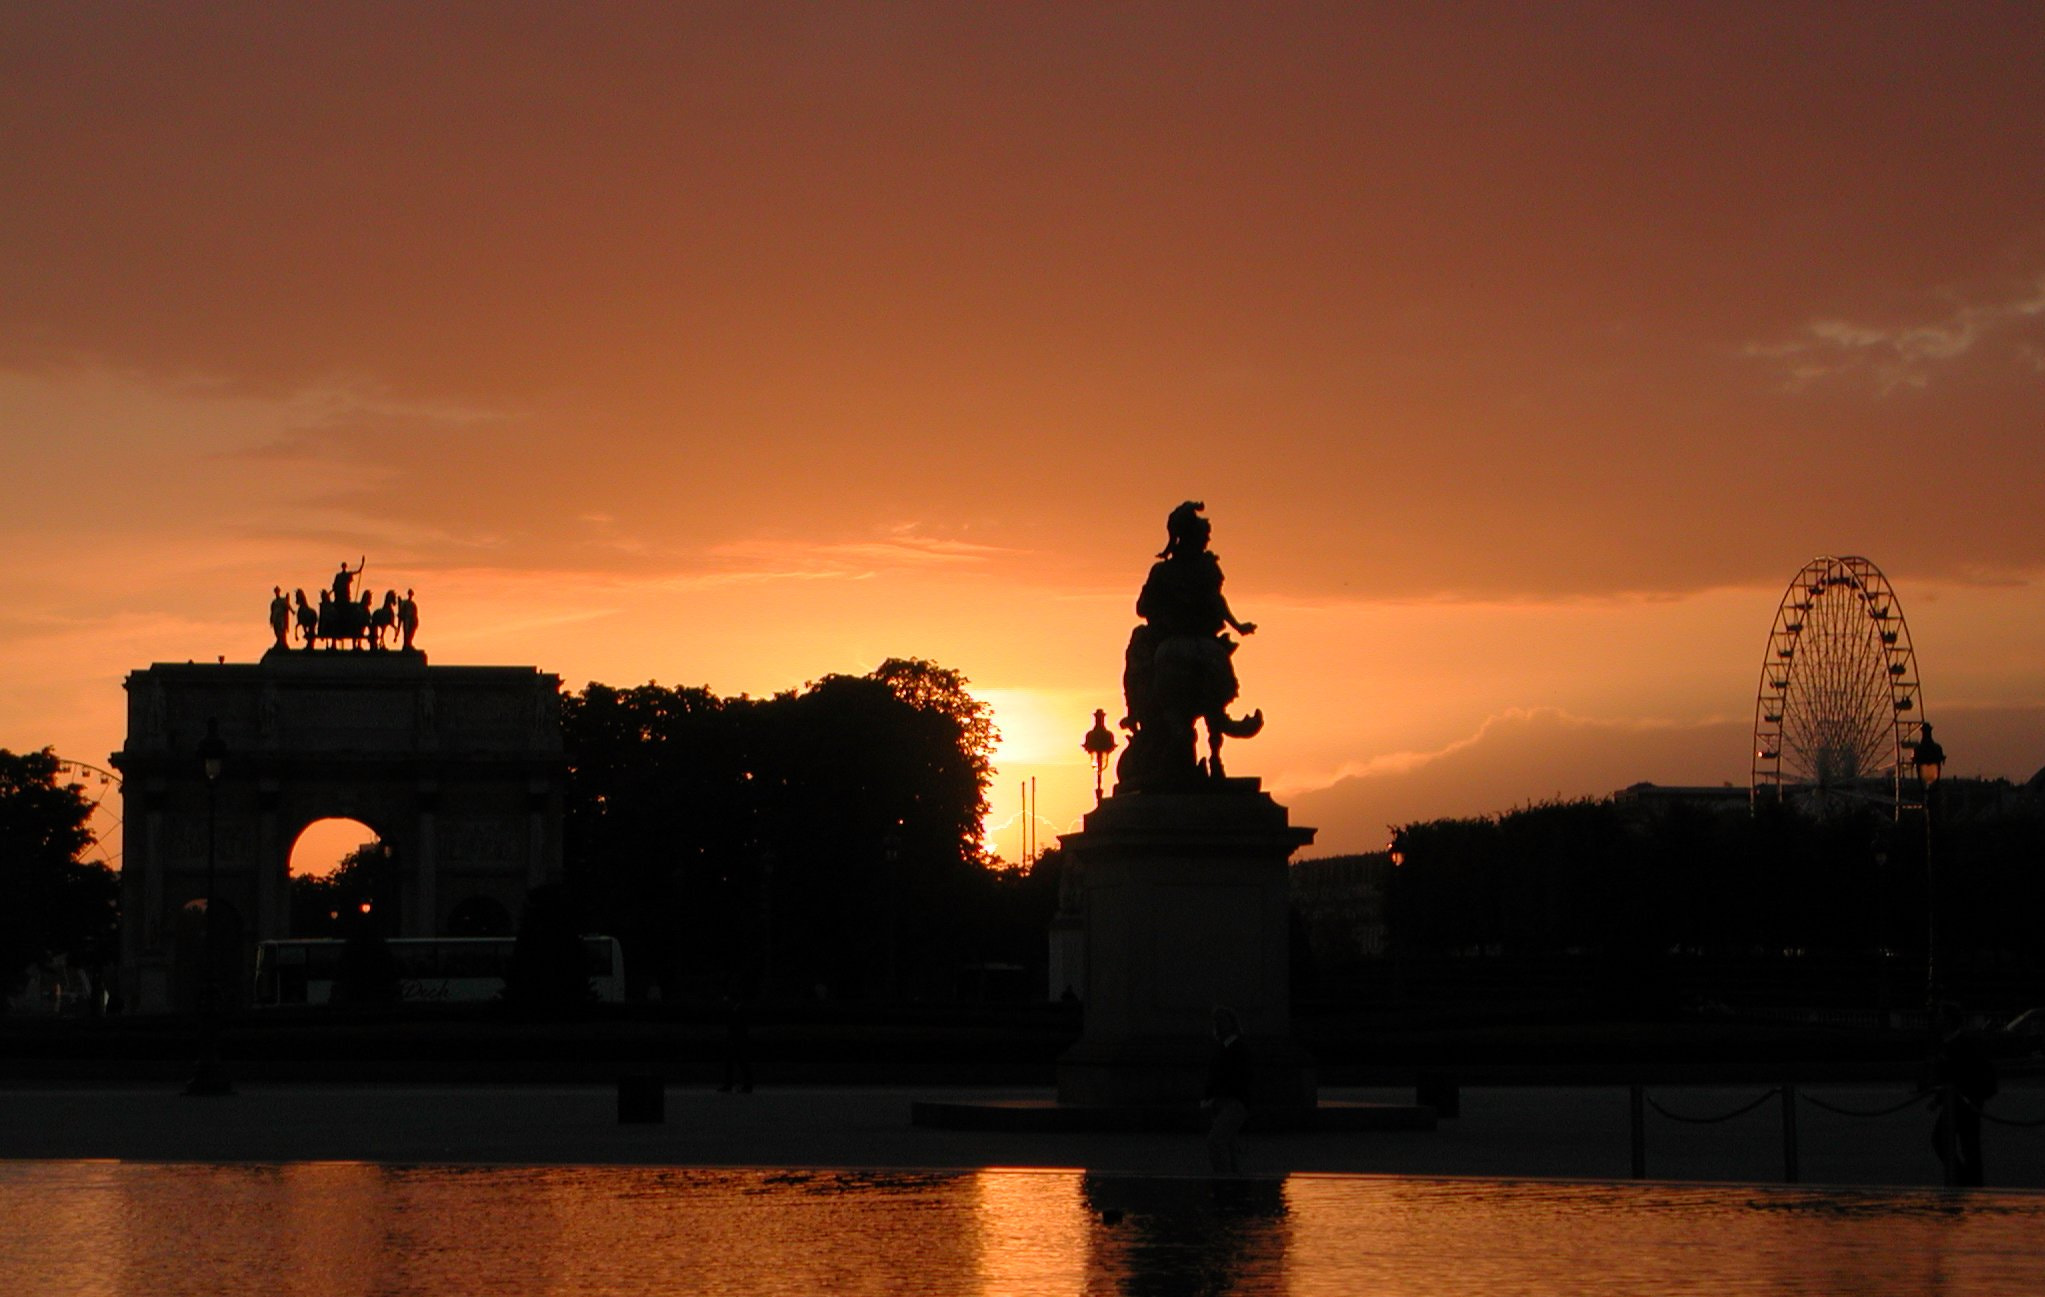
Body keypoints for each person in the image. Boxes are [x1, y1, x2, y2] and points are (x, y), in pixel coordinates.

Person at [1931, 1002, 1997, 1186]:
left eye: (1940, 1016)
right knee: (1966, 1145)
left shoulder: (1959, 1044)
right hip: (1962, 1101)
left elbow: (1957, 1075)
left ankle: (1964, 1180)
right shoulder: (1955, 1042)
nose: (1937, 1019)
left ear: (1948, 1020)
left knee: (1955, 1143)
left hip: (1964, 1101)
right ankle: (1968, 1181)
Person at [1204, 1006, 1252, 1174]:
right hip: (1228, 1102)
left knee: (1216, 1141)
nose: (1218, 1024)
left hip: (1233, 1102)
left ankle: (1224, 1178)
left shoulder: (1236, 1049)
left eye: (1221, 1021)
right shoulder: (1226, 1048)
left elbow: (1233, 1078)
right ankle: (1232, 1180)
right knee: (1228, 1144)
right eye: (1216, 1021)